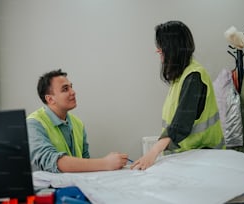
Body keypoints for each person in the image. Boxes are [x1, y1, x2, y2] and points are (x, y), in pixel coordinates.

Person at [131, 21, 225, 170]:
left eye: (161, 46)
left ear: (172, 48)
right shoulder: (180, 77)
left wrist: (153, 152)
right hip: (190, 157)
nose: (158, 51)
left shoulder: (194, 76)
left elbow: (180, 124)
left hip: (205, 159)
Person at [27, 69, 128, 173]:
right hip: (48, 188)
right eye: (65, 89)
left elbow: (85, 162)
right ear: (50, 99)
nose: (73, 92)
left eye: (71, 87)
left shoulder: (77, 123)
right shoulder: (33, 124)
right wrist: (106, 163)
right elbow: (52, 162)